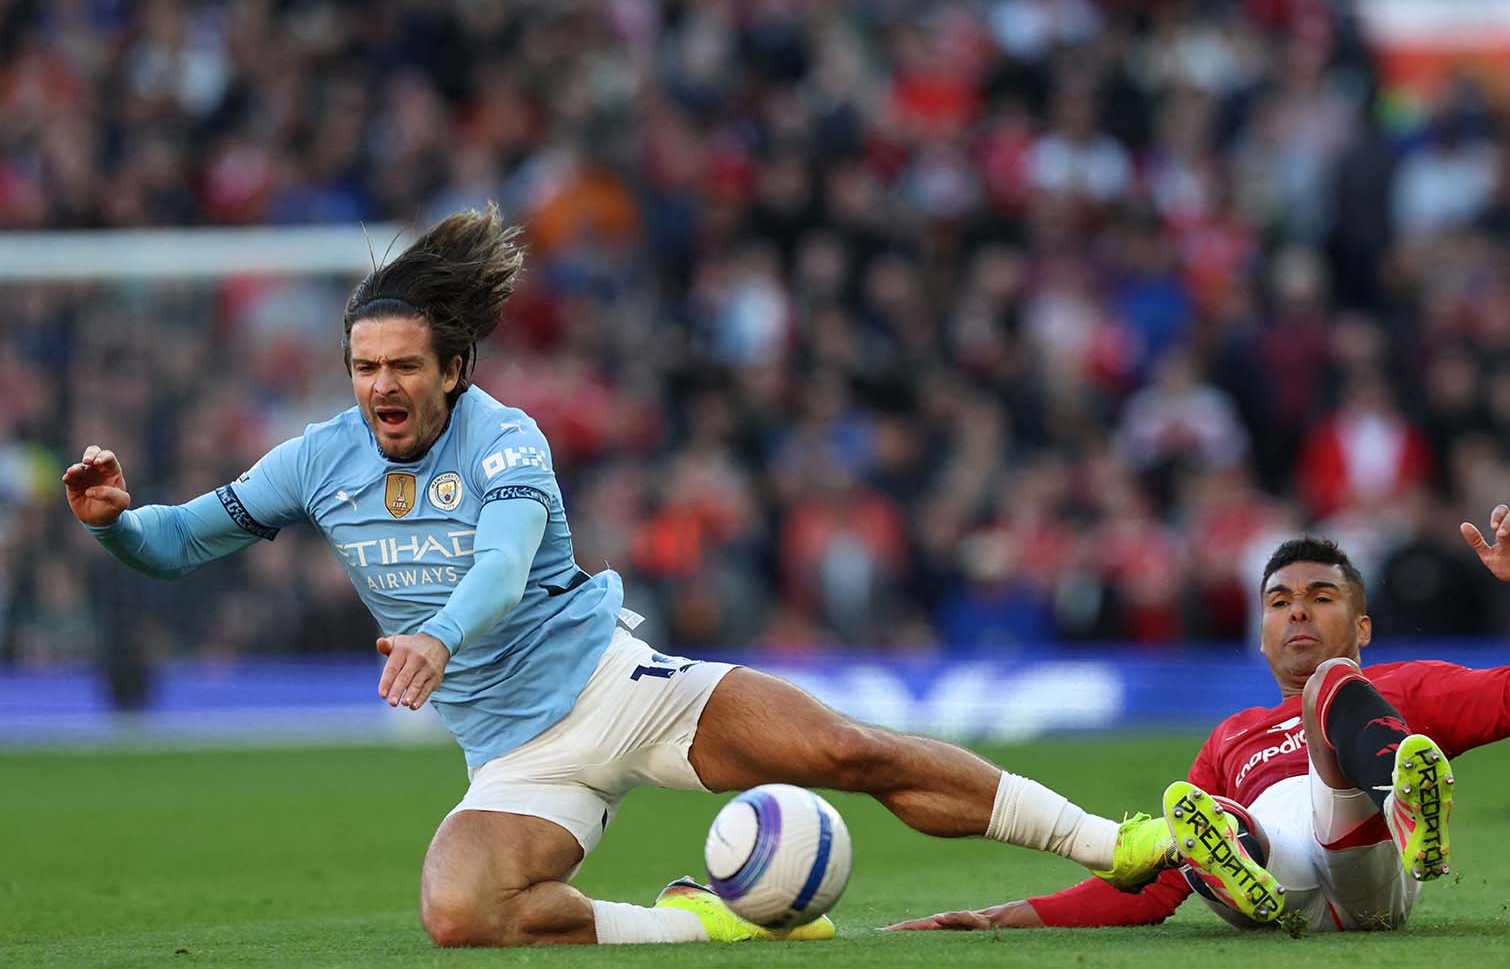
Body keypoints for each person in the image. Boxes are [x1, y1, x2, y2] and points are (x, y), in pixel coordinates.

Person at [62, 206, 1179, 947]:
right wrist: (117, 521)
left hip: (622, 691)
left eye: (404, 366)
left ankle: (1107, 841)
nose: (381, 387)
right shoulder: (317, 457)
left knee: (852, 750)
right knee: (462, 914)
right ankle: (707, 927)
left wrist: (437, 639)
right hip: (514, 754)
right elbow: (176, 541)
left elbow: (500, 566)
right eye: (364, 367)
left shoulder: (506, 439)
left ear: (453, 367)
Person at [886, 509, 1510, 934]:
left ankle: (1403, 803)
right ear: (1260, 634)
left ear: (1361, 625)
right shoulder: (1230, 736)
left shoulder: (1399, 686)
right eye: (1278, 601)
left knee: (1332, 685)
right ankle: (1234, 857)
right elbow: (1151, 889)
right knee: (1201, 821)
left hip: (1367, 872)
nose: (1296, 611)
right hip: (1278, 892)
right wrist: (999, 916)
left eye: (1319, 596)